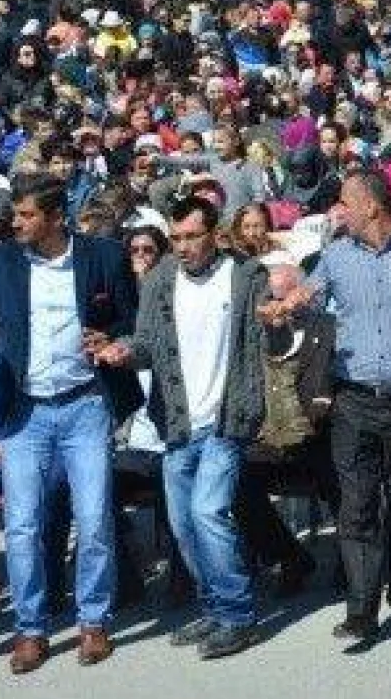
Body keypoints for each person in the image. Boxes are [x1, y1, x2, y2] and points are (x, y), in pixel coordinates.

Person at [266, 168, 391, 644]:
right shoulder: (334, 256)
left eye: (345, 202)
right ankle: (362, 607)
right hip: (353, 400)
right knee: (357, 506)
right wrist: (289, 305)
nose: (337, 211)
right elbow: (311, 298)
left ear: (371, 206)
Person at [94, 196, 277, 659]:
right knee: (181, 523)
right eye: (175, 238)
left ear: (215, 234)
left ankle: (238, 614)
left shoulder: (245, 276)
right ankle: (214, 606)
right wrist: (122, 352)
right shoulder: (159, 280)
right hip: (176, 422)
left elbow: (266, 337)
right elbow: (146, 345)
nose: (183, 246)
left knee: (209, 512)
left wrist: (278, 319)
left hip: (226, 417)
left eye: (192, 237)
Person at [0, 172, 141, 673]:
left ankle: (93, 620)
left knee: (93, 519)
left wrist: (113, 341)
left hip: (84, 405)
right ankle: (30, 628)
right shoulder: (1, 263)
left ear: (53, 217)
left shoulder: (103, 256)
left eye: (26, 215)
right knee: (22, 525)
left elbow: (130, 323)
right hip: (24, 412)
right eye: (15, 215)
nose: (16, 223)